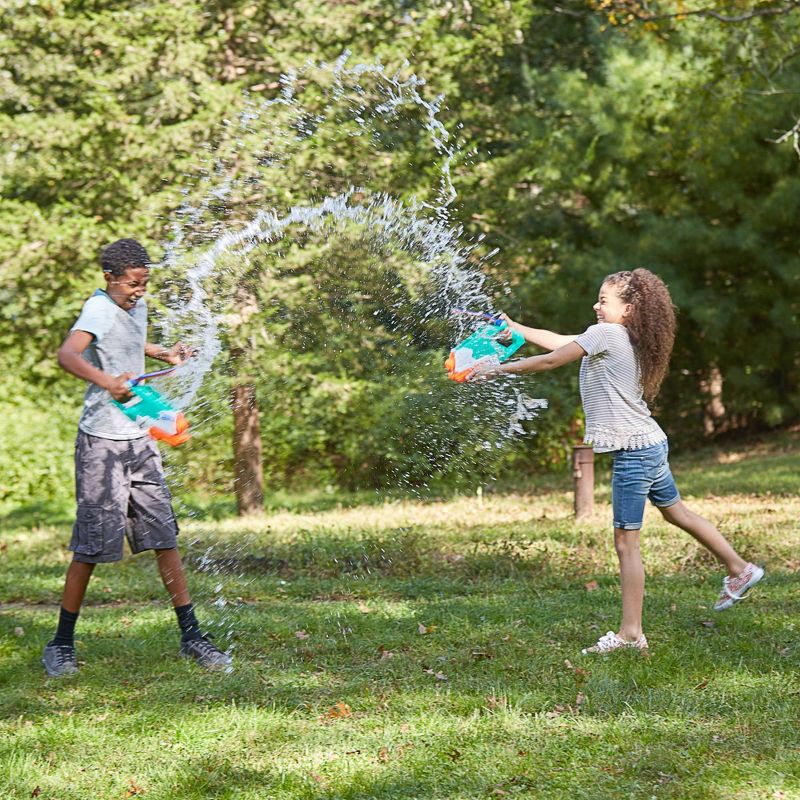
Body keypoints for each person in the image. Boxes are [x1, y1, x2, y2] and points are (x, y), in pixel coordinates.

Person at [468, 268, 764, 654]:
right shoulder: (618, 335)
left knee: (626, 543)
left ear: (629, 308)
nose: (596, 304)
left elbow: (550, 361)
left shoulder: (607, 334)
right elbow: (561, 342)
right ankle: (740, 569)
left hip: (633, 451)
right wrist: (515, 328)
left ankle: (630, 634)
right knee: (677, 513)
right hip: (650, 443)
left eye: (604, 300)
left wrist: (496, 369)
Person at [42, 238, 231, 676]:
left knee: (164, 537)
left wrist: (163, 353)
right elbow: (67, 354)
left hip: (140, 437)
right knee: (91, 547)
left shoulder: (131, 305)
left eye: (144, 283)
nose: (139, 291)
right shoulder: (99, 309)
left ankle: (192, 637)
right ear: (110, 278)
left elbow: (128, 343)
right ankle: (61, 643)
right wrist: (107, 382)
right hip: (101, 444)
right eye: (132, 284)